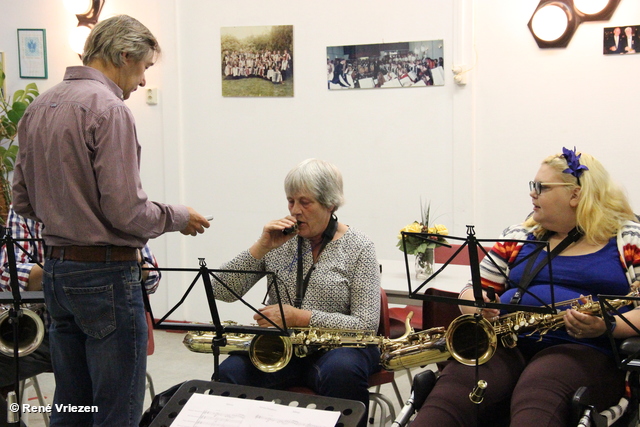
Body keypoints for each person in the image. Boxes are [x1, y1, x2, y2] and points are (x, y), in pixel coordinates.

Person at [11, 15, 210, 426]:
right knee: (115, 409)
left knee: (72, 405)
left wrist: (66, 213)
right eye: (145, 68)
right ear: (123, 55)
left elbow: (22, 201)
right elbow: (127, 212)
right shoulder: (109, 109)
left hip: (56, 274)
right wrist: (179, 216)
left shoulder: (35, 108)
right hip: (105, 276)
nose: (141, 81)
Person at [412, 147, 640, 427]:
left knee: (539, 393)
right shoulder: (517, 235)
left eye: (540, 187)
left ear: (575, 194)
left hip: (581, 350)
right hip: (505, 343)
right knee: (451, 394)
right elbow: (473, 289)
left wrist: (608, 325)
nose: (532, 193)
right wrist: (477, 305)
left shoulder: (628, 239)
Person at [213, 158, 380, 426]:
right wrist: (262, 246)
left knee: (342, 372)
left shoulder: (359, 247)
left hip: (340, 348)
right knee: (229, 374)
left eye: (305, 202)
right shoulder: (281, 240)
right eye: (290, 201)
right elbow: (220, 290)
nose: (295, 210)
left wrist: (300, 317)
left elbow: (366, 326)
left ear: (330, 204)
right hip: (283, 347)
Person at [0, 207, 162, 426]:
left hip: (109, 320)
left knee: (108, 412)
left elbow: (151, 276)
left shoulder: (115, 199)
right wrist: (76, 269)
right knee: (73, 412)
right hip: (44, 329)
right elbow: (8, 277)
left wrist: (71, 269)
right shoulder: (28, 205)